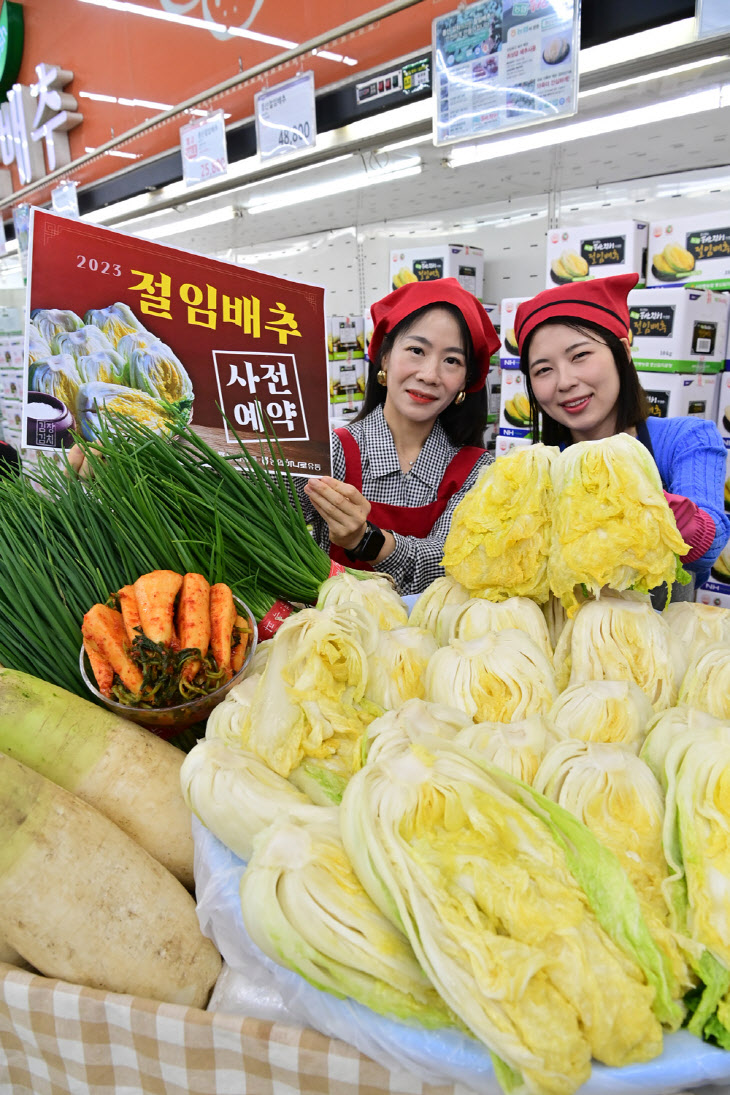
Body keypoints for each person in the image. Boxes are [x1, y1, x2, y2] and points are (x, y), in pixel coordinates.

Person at [514, 272, 730, 600]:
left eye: (580, 356)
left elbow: (708, 545)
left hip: (656, 643)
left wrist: (630, 496)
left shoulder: (686, 440)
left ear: (623, 352)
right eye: (543, 369)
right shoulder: (539, 468)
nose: (565, 381)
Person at [299, 278, 500, 595]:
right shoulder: (330, 451)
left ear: (466, 382)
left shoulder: (480, 471)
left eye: (452, 360)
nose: (429, 375)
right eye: (417, 350)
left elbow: (453, 565)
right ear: (385, 356)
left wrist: (365, 540)